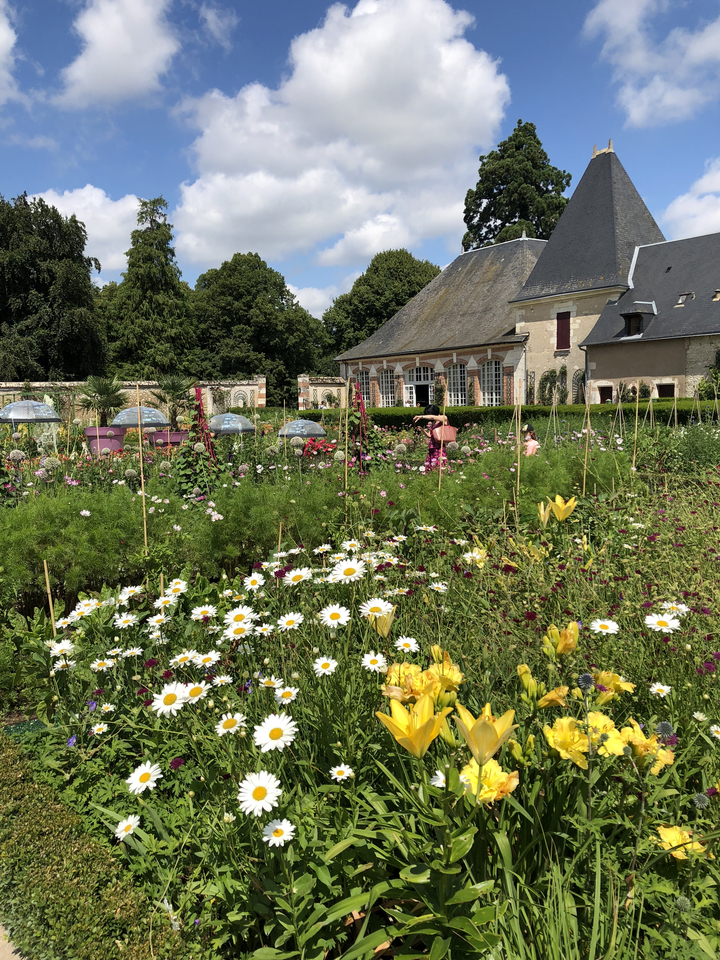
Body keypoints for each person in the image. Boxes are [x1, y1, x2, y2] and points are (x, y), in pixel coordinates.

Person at [413, 404, 449, 471]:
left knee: (439, 466)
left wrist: (421, 417)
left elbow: (432, 417)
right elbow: (430, 435)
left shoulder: (443, 418)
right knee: (430, 468)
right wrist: (422, 430)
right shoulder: (434, 422)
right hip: (432, 447)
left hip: (439, 447)